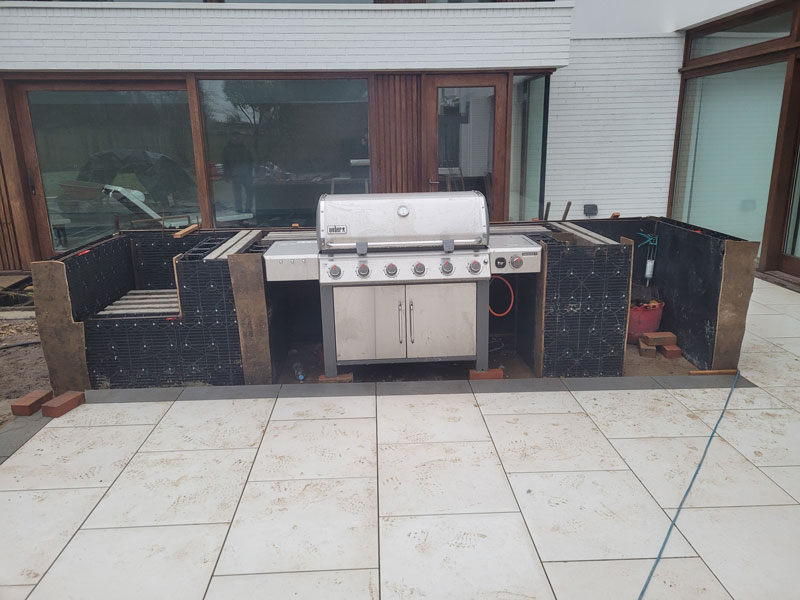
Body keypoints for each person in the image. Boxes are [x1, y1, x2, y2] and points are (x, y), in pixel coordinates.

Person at [221, 133, 255, 216]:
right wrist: (226, 174)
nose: (236, 140)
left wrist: (252, 172)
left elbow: (251, 160)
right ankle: (239, 211)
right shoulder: (227, 149)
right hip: (235, 175)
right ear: (231, 138)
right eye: (234, 138)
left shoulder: (245, 148)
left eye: (238, 138)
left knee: (250, 192)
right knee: (237, 194)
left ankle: (248, 209)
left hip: (246, 174)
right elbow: (225, 163)